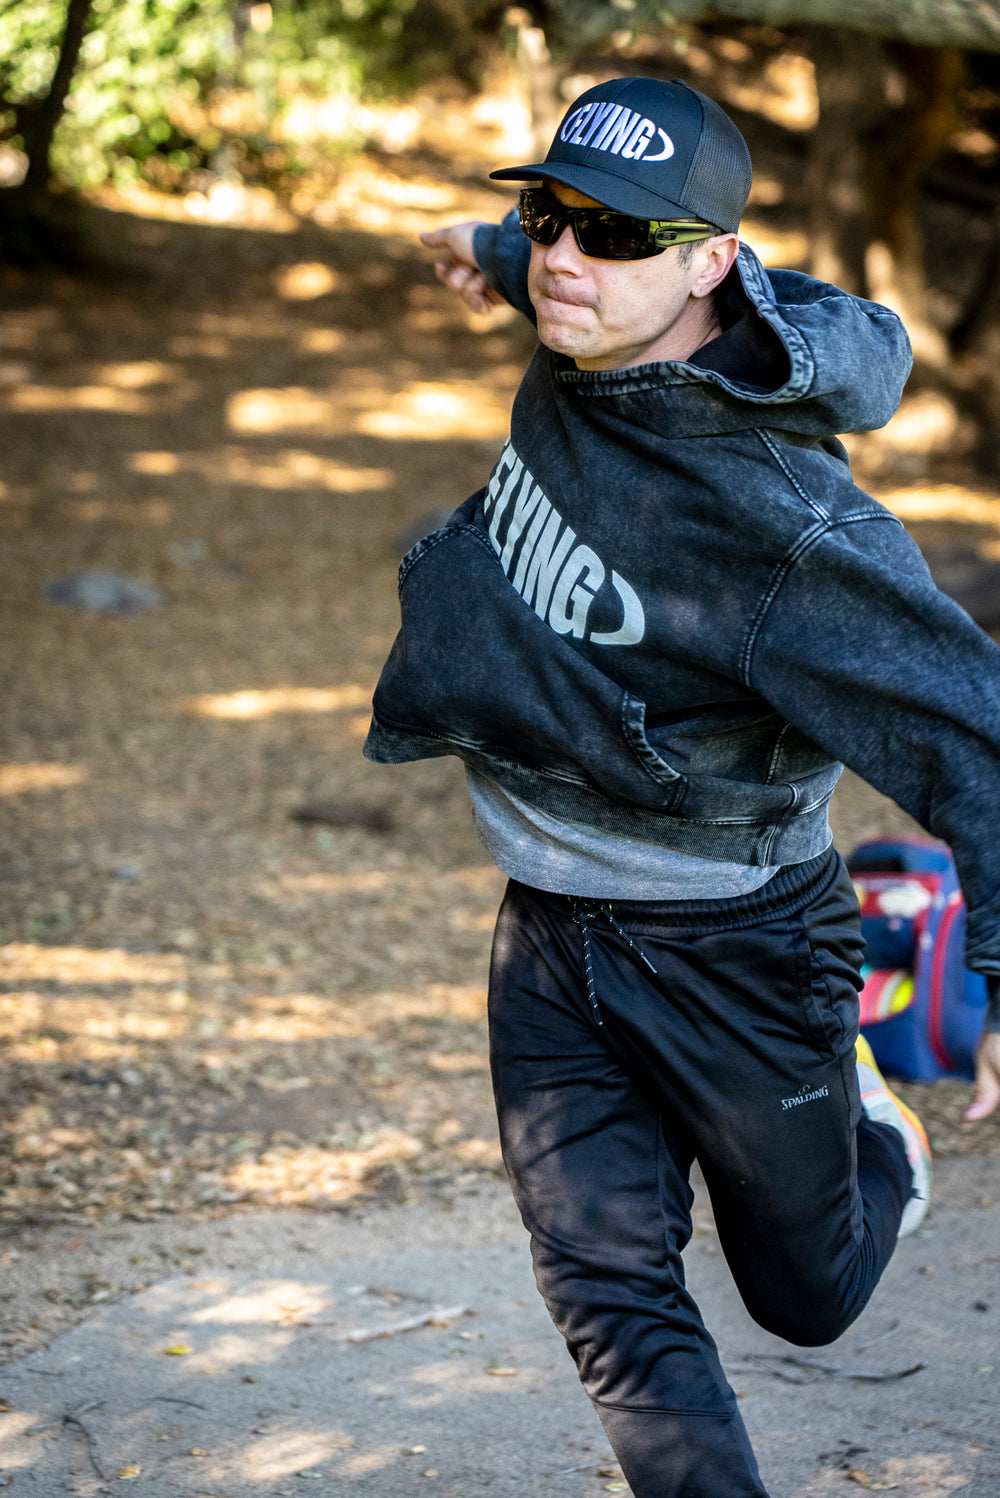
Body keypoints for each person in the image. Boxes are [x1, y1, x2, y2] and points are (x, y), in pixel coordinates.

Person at [364, 75, 1000, 1498]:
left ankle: (873, 1119)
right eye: (547, 214)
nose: (564, 260)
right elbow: (557, 262)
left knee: (808, 1295)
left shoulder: (788, 529)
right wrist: (484, 249)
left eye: (610, 233)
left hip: (739, 948)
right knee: (607, 1291)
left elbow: (983, 739)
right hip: (549, 924)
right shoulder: (589, 300)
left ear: (714, 260)